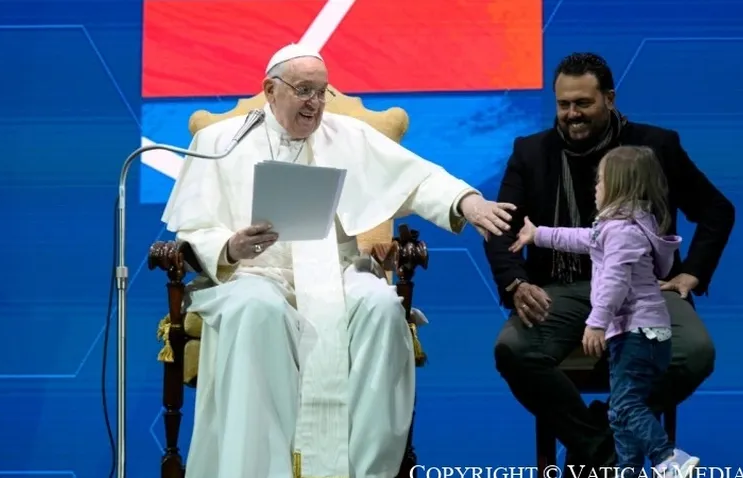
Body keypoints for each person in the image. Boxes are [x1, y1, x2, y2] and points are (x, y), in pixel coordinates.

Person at [162, 43, 515, 478]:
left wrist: (467, 202)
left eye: (322, 92)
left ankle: (364, 470)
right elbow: (194, 228)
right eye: (303, 90)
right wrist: (230, 247)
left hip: (337, 271)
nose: (315, 103)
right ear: (270, 90)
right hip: (252, 274)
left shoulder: (349, 135)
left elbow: (418, 179)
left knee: (380, 306)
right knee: (256, 309)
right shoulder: (219, 142)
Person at [485, 52, 735, 473]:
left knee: (695, 352)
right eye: (564, 104)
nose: (572, 114)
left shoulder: (655, 147)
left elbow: (717, 210)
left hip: (645, 289)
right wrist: (516, 283)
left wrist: (692, 272)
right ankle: (603, 452)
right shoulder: (531, 153)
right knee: (513, 350)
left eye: (583, 103)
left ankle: (610, 424)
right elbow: (500, 227)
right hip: (562, 290)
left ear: (610, 99)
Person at [509, 145, 699, 478]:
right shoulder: (625, 226)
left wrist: (596, 323)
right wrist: (537, 235)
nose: (594, 187)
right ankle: (626, 470)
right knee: (619, 417)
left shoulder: (622, 233)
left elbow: (615, 282)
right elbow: (583, 239)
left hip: (636, 334)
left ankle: (669, 458)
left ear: (618, 185)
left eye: (599, 180)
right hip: (647, 334)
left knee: (625, 405)